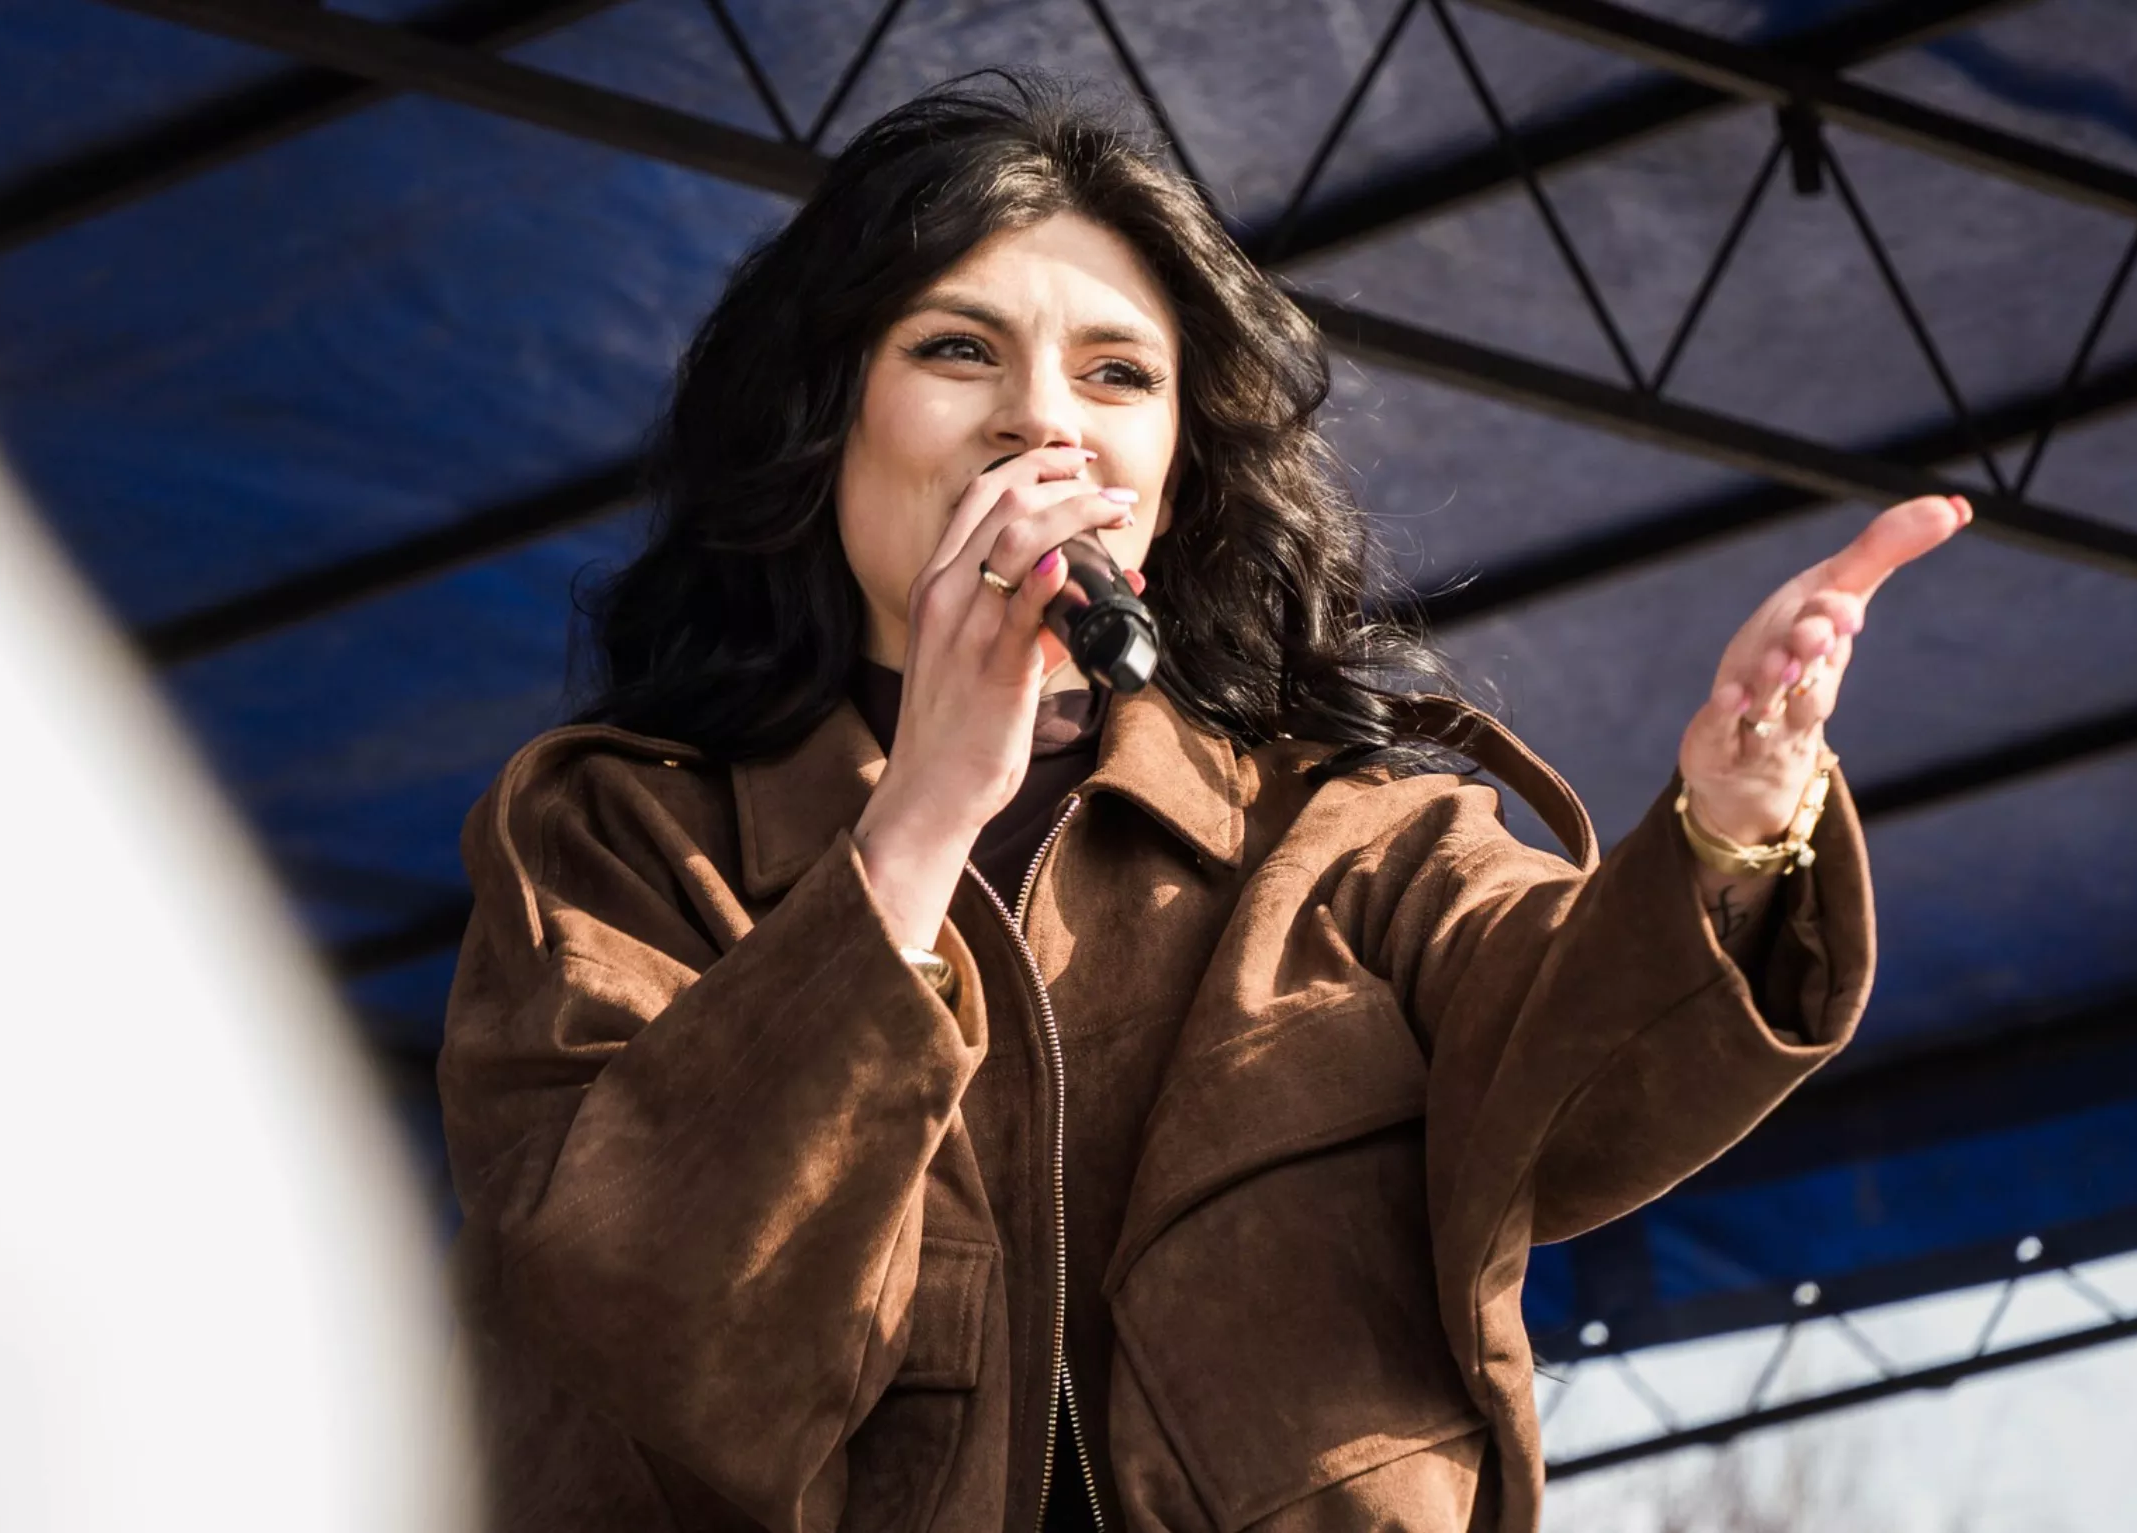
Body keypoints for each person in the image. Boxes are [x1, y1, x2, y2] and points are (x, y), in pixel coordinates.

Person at [436, 73, 1963, 1533]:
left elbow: (1586, 1088)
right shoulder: (614, 837)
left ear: (1172, 476)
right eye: (957, 350)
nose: (1043, 422)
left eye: (1117, 374)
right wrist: (914, 830)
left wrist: (1733, 818)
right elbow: (634, 1307)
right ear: (822, 420)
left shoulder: (1350, 837)